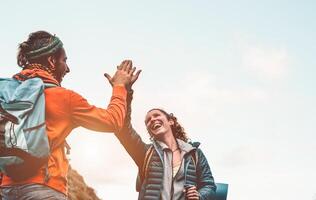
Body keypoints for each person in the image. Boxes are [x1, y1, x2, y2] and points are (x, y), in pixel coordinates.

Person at [0, 30, 140, 200]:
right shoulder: (64, 98)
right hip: (45, 189)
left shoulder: (6, 93)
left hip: (7, 188)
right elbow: (113, 121)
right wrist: (120, 87)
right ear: (52, 61)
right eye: (64, 61)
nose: (67, 68)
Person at [114, 85, 216, 199]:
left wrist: (200, 196)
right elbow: (123, 129)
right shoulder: (145, 153)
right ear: (150, 131)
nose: (152, 119)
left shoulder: (194, 153)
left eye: (156, 115)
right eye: (148, 121)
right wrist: (125, 91)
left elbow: (209, 185)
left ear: (171, 121)